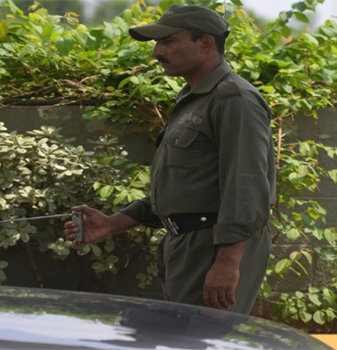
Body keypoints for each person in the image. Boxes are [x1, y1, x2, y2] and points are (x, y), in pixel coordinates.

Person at [63, 5, 276, 315]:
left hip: (214, 245)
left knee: (205, 342)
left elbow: (248, 187)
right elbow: (183, 190)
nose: (156, 52)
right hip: (185, 245)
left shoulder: (234, 99)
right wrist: (111, 225)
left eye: (168, 42)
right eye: (156, 44)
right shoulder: (195, 98)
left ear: (205, 43)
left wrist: (228, 263)